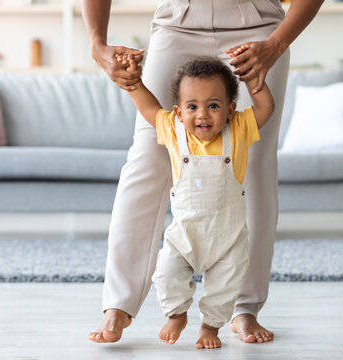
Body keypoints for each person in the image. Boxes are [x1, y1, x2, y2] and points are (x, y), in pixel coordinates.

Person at [83, 0, 324, 344]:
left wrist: (276, 44)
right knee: (147, 154)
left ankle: (244, 307)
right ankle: (119, 304)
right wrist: (96, 44)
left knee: (253, 161)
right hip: (176, 24)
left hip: (256, 29)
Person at [118, 53, 273, 349]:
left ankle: (210, 327)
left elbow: (266, 107)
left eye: (213, 106)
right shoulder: (174, 131)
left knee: (224, 287)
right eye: (192, 106)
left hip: (228, 237)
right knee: (165, 273)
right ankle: (176, 314)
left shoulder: (238, 129)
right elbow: (150, 108)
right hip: (184, 236)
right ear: (178, 112)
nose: (202, 114)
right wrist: (134, 81)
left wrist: (254, 79)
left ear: (230, 110)